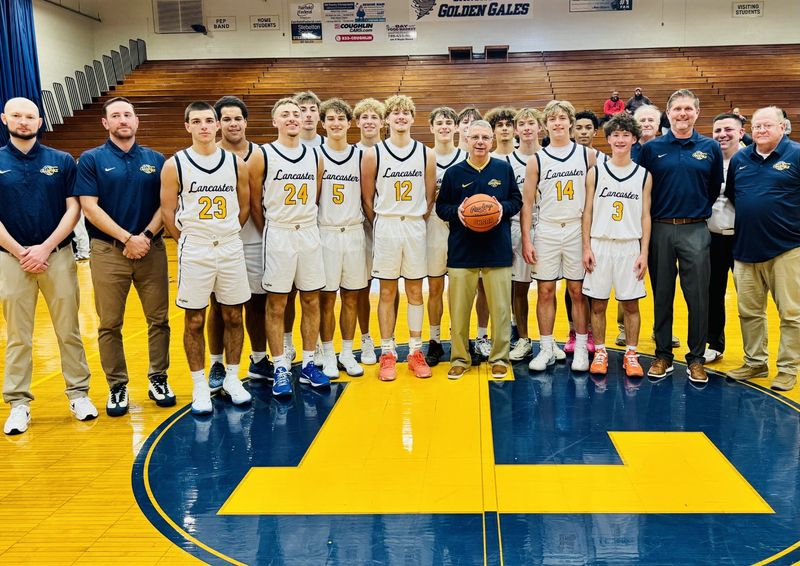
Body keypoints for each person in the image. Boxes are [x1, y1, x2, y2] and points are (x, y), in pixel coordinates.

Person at [0, 97, 97, 435]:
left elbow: (74, 210)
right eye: (16, 116)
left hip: (56, 256)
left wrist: (44, 248)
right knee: (18, 336)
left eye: (30, 116)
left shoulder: (61, 161)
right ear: (4, 119)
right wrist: (20, 251)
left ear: (39, 122)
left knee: (69, 330)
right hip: (11, 259)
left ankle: (79, 394)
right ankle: (18, 403)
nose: (23, 121)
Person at [75, 96, 172, 417]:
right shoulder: (91, 159)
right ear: (105, 122)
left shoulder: (156, 159)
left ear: (136, 120)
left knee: (159, 320)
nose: (123, 120)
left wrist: (145, 237)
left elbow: (166, 205)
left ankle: (158, 378)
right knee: (109, 323)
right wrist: (127, 238)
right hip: (108, 251)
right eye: (115, 115)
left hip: (150, 249)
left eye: (127, 114)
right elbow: (89, 207)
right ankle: (117, 385)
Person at [160, 101, 253, 414]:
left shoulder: (235, 163)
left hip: (229, 245)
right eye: (197, 121)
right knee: (195, 319)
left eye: (209, 121)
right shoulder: (175, 164)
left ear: (217, 125)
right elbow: (168, 212)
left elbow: (243, 207)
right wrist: (188, 241)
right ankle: (200, 385)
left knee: (234, 315)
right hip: (195, 247)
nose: (204, 126)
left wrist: (226, 234)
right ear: (187, 126)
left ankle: (232, 378)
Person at [638, 89, 723, 383]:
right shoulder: (652, 148)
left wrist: (694, 210)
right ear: (668, 113)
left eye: (688, 108)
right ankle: (663, 354)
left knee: (698, 296)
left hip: (695, 228)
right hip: (660, 228)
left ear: (697, 113)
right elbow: (644, 191)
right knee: (662, 294)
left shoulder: (710, 147)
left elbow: (713, 188)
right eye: (677, 109)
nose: (683, 114)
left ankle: (696, 358)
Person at [250, 97, 331, 396]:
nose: (293, 118)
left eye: (296, 114)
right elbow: (254, 201)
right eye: (285, 114)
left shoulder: (316, 156)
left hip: (308, 231)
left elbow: (316, 194)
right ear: (275, 121)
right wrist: (271, 229)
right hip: (279, 232)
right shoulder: (262, 155)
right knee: (277, 303)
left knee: (311, 300)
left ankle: (309, 363)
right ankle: (280, 366)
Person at [436, 119, 522, 379]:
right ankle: (460, 358)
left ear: (492, 141)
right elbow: (441, 208)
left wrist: (500, 209)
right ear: (466, 140)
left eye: (485, 137)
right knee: (459, 310)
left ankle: (499, 358)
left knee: (501, 310)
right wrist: (460, 212)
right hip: (462, 251)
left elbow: (516, 200)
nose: (480, 142)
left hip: (497, 249)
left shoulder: (503, 169)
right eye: (475, 137)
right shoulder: (454, 173)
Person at [361, 94, 436, 381]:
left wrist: (415, 219)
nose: (401, 117)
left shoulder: (426, 154)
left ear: (413, 118)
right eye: (395, 113)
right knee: (387, 292)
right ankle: (387, 353)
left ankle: (415, 352)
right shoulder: (374, 154)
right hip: (387, 225)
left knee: (415, 291)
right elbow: (367, 199)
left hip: (414, 225)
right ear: (387, 119)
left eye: (406, 112)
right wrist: (382, 222)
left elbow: (429, 197)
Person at [726, 106, 800, 392]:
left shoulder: (796, 154)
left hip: (787, 249)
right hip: (745, 249)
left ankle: (788, 369)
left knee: (791, 314)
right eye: (757, 126)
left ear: (783, 127)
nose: (761, 130)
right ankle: (755, 362)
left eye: (767, 125)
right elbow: (735, 196)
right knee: (749, 312)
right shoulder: (740, 158)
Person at [522, 100, 596, 373]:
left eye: (562, 118)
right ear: (545, 125)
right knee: (545, 291)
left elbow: (593, 201)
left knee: (577, 291)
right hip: (547, 228)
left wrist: (589, 242)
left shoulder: (588, 155)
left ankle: (581, 348)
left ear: (570, 122)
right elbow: (527, 203)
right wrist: (527, 239)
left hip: (577, 228)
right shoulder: (536, 159)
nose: (557, 123)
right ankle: (546, 348)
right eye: (552, 119)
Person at [205, 96, 273, 393]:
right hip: (219, 242)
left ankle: (258, 359)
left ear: (246, 122)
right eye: (227, 119)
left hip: (255, 238)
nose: (233, 124)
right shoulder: (207, 155)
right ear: (218, 124)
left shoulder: (261, 154)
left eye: (238, 119)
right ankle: (217, 363)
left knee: (258, 303)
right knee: (219, 306)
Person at [582, 113, 652, 377]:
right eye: (615, 135)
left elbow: (645, 216)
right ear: (608, 138)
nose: (620, 139)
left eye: (626, 135)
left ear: (634, 139)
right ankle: (600, 352)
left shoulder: (644, 175)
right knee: (598, 305)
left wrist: (644, 252)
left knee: (631, 305)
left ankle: (631, 354)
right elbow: (587, 212)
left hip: (629, 246)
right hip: (600, 244)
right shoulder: (596, 172)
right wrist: (586, 247)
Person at [317, 98, 367, 377]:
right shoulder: (315, 156)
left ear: (350, 123)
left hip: (354, 232)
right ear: (323, 124)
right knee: (326, 299)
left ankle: (347, 352)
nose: (336, 123)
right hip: (326, 232)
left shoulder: (361, 156)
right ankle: (327, 354)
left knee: (351, 297)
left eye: (341, 119)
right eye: (331, 119)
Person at [281, 91, 326, 365]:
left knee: (313, 294)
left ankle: (315, 343)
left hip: (317, 231)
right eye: (302, 109)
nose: (307, 114)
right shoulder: (277, 149)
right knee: (286, 294)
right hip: (286, 231)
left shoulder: (326, 148)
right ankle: (287, 344)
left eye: (312, 109)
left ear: (319, 115)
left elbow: (318, 193)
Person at [425, 106, 467, 366]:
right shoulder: (424, 157)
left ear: (456, 127)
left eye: (448, 123)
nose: (444, 127)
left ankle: (459, 338)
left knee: (461, 289)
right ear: (431, 127)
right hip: (434, 225)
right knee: (435, 288)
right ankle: (434, 340)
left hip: (463, 227)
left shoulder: (466, 157)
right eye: (439, 123)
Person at [563, 109, 607, 354]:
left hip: (595, 228)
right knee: (572, 284)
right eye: (578, 128)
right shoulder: (565, 158)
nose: (583, 132)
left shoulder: (604, 160)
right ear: (572, 131)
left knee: (591, 283)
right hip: (570, 227)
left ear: (595, 131)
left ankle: (589, 330)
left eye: (588, 128)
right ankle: (574, 330)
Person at [502, 107, 544, 362]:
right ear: (516, 130)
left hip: (548, 225)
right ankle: (524, 338)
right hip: (517, 226)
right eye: (523, 124)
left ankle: (549, 341)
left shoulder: (550, 157)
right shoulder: (506, 162)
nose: (527, 128)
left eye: (532, 123)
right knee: (519, 287)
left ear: (540, 127)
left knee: (548, 288)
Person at [704, 112, 744, 363]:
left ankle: (755, 354)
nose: (722, 135)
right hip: (713, 238)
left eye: (728, 129)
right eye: (717, 130)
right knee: (713, 293)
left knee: (749, 297)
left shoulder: (750, 161)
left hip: (743, 239)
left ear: (741, 133)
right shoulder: (708, 161)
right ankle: (714, 343)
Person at [353, 97, 386, 365]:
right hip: (359, 226)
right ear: (357, 122)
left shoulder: (391, 150)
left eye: (374, 116)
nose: (369, 121)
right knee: (361, 287)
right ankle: (365, 338)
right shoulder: (351, 153)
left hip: (387, 225)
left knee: (390, 284)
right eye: (364, 116)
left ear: (382, 122)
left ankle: (389, 339)